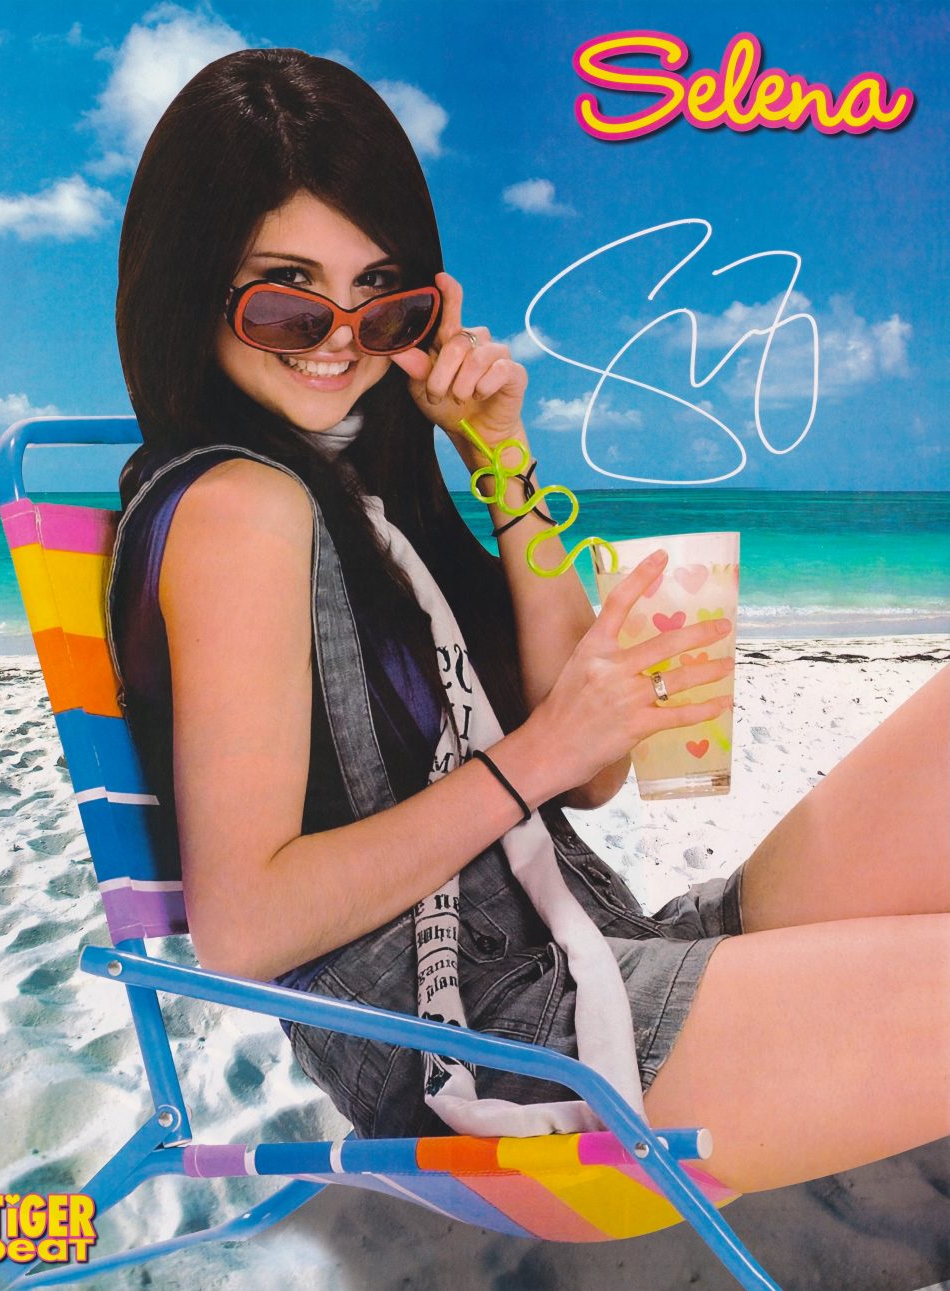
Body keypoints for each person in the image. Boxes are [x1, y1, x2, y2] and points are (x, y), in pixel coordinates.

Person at [108, 48, 949, 1194]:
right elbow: (245, 926)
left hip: (601, 955)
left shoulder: (357, 502)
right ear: (191, 280)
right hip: (511, 1052)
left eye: (381, 296)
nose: (339, 338)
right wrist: (540, 751)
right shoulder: (240, 509)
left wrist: (497, 455)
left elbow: (590, 780)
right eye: (287, 298)